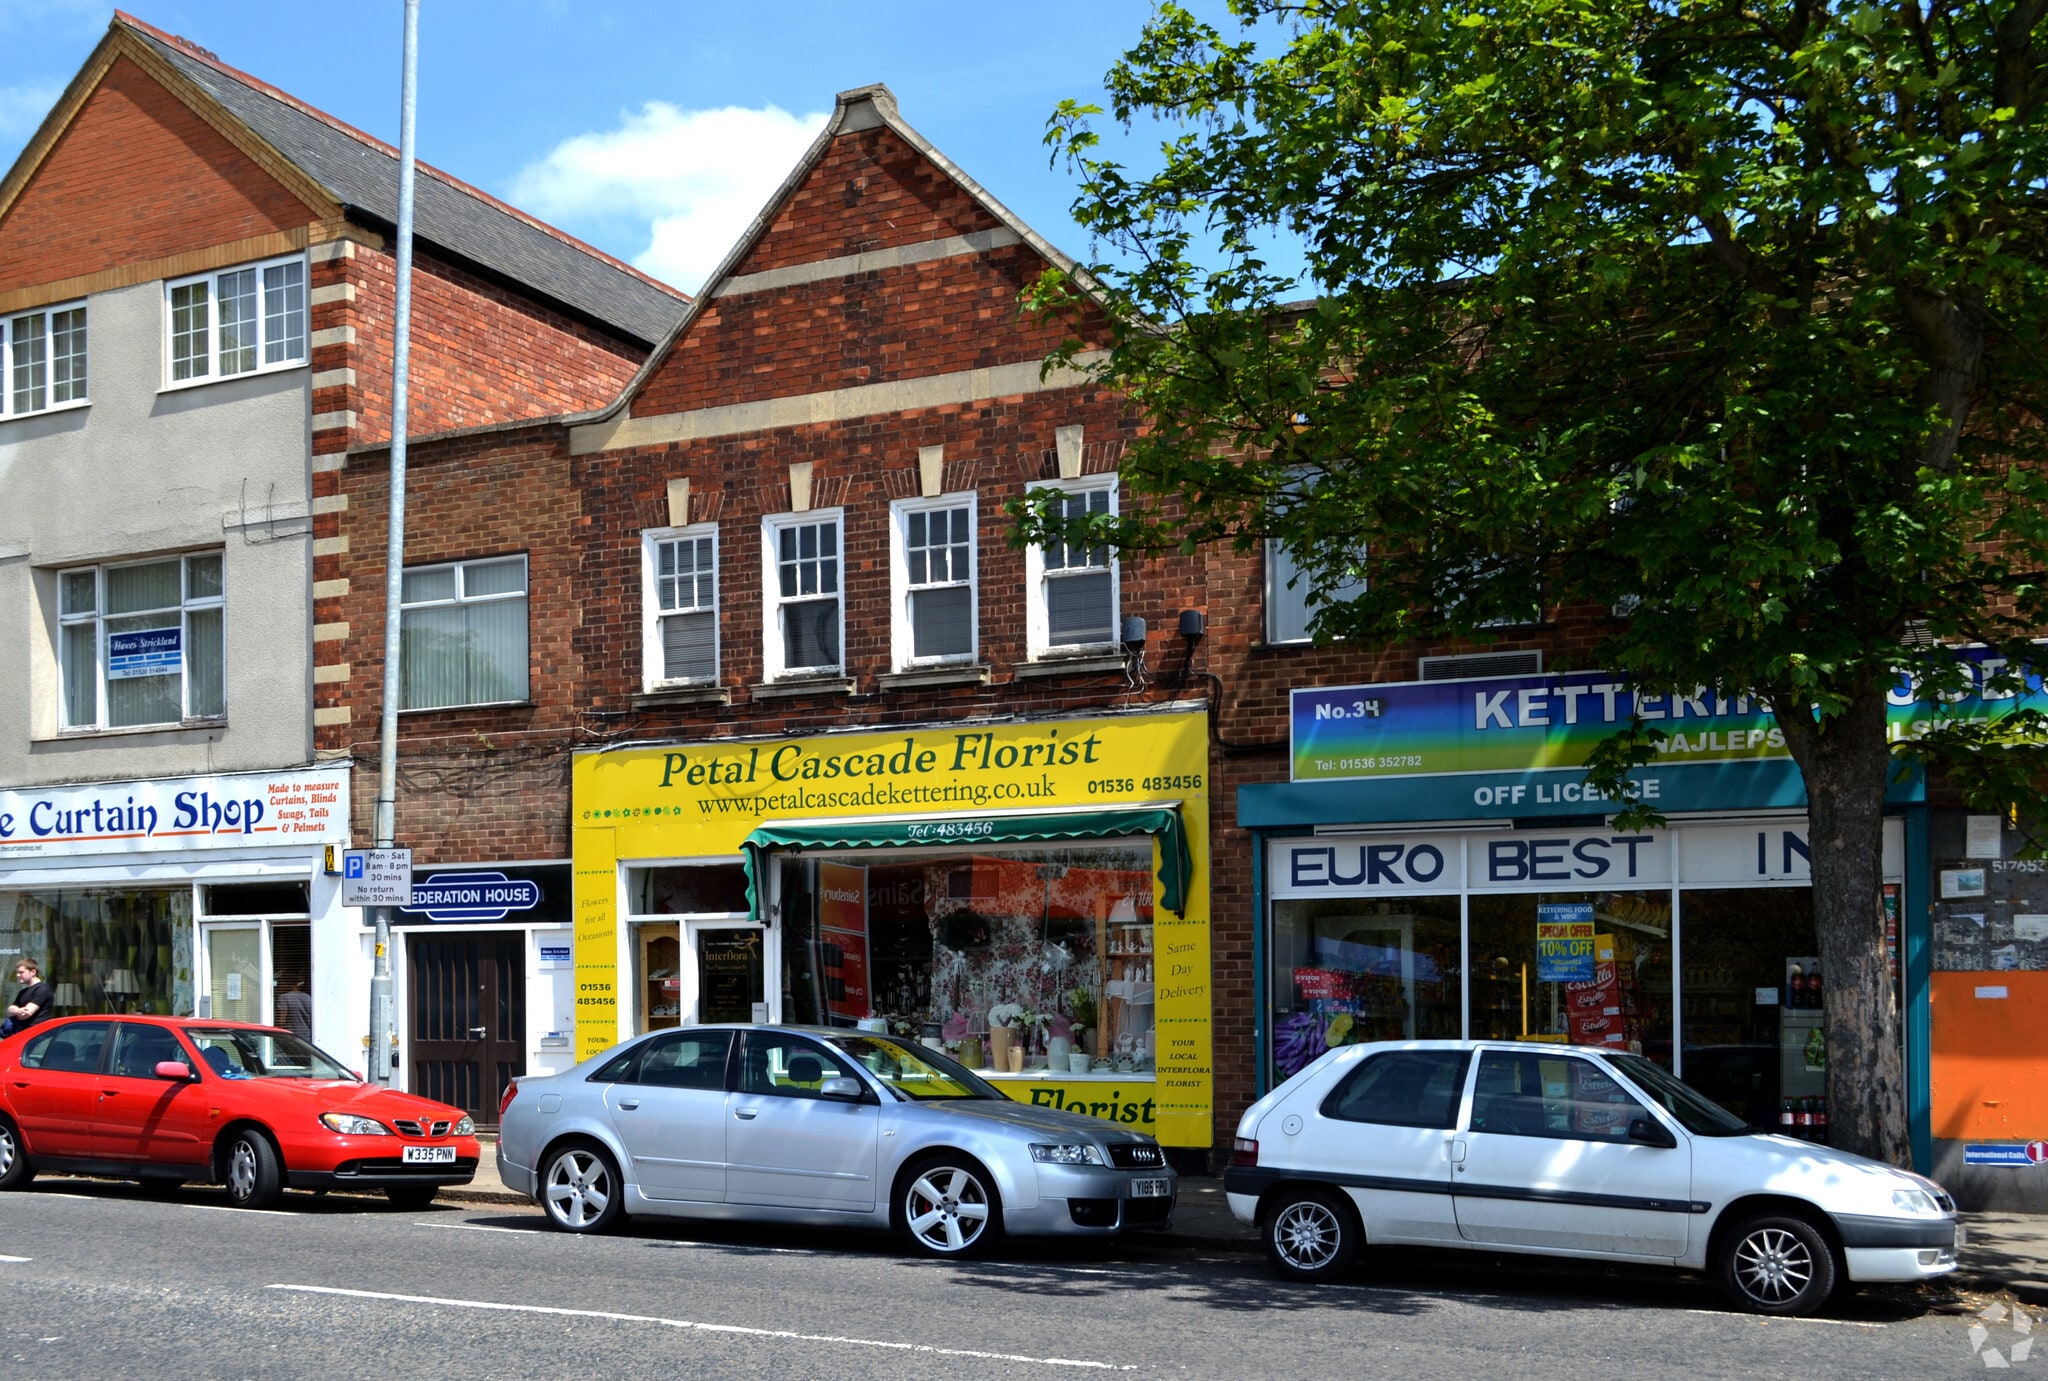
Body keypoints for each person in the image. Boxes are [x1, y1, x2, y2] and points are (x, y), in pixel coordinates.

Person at [3, 958, 55, 1038]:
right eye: (17, 972)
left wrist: (16, 1011)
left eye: (21, 972)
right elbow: (9, 1011)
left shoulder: (42, 989)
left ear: (33, 972)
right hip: (24, 1034)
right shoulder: (23, 992)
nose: (18, 975)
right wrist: (17, 1011)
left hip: (37, 1035)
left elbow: (26, 1014)